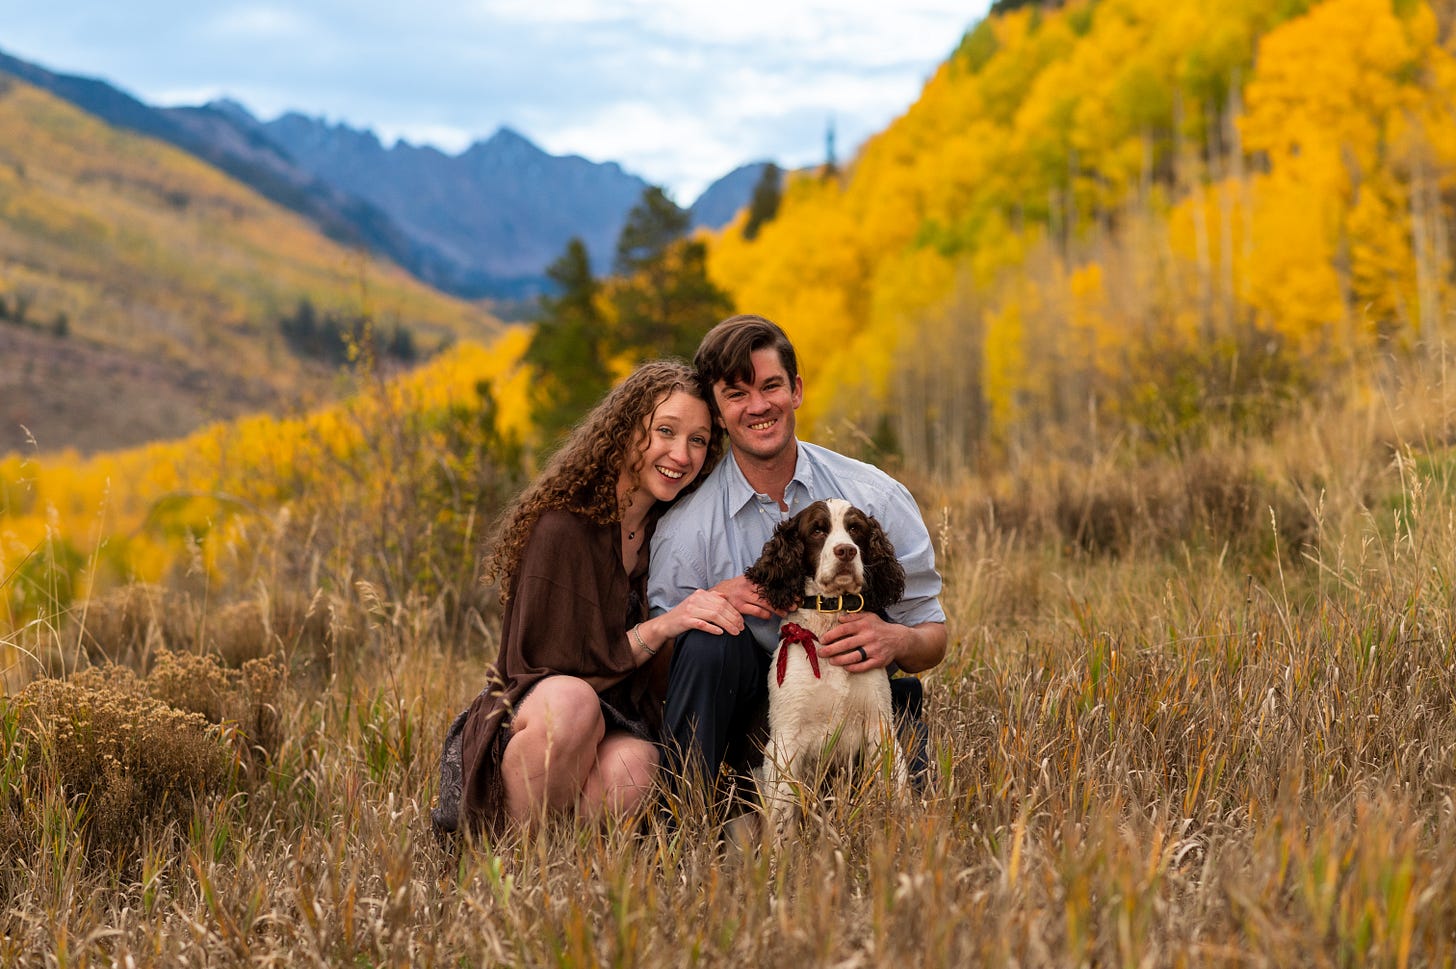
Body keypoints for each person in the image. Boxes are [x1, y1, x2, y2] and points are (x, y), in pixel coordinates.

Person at [433, 360, 745, 838]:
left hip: (617, 721)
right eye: (665, 431)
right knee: (573, 705)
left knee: (638, 766)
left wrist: (713, 604)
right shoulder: (561, 526)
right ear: (625, 431)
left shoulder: (670, 532)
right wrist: (661, 626)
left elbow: (659, 681)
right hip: (532, 718)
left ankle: (563, 881)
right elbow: (545, 670)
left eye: (698, 440)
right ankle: (504, 870)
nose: (681, 454)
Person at [648, 314, 947, 794]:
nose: (759, 406)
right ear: (717, 410)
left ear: (797, 390)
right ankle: (695, 809)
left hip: (869, 699)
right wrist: (701, 609)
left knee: (905, 822)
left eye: (771, 386)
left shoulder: (875, 496)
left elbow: (932, 632)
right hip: (749, 720)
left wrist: (897, 640)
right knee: (704, 642)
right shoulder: (685, 532)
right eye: (737, 394)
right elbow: (662, 676)